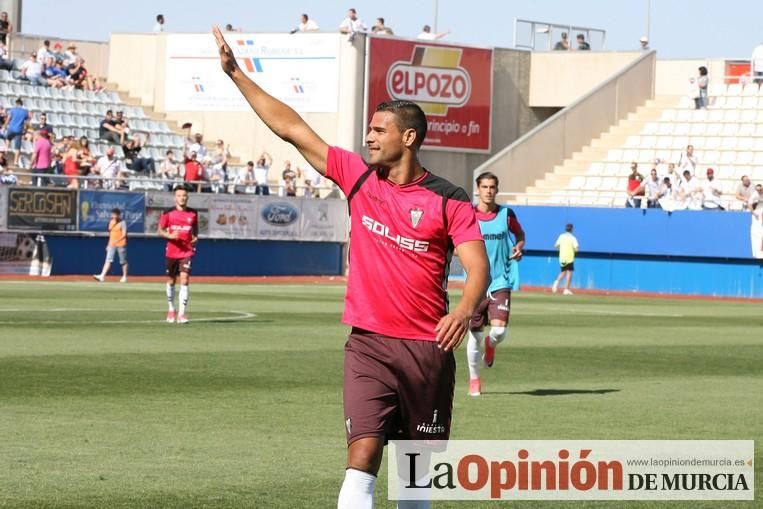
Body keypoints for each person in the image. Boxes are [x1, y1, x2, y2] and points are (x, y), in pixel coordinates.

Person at [213, 26, 489, 509]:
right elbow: (292, 128)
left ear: (408, 137)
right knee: (362, 452)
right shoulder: (358, 176)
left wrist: (465, 309)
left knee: (413, 469)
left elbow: (477, 266)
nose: (369, 136)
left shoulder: (449, 198)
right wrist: (237, 75)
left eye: (379, 130)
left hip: (427, 348)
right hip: (368, 344)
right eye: (369, 129)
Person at [465, 172, 525, 397]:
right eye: (485, 187)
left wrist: (519, 246)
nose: (488, 191)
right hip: (476, 282)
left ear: (497, 190)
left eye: (492, 187)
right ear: (478, 190)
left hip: (501, 279)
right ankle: (474, 380)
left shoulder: (506, 214)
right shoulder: (468, 215)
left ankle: (492, 344)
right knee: (475, 335)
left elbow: (520, 234)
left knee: (499, 330)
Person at [157, 185, 198, 324]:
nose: (182, 198)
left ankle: (182, 314)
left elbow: (195, 229)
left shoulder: (193, 213)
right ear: (175, 197)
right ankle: (171, 309)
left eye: (185, 195)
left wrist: (196, 237)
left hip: (187, 251)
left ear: (188, 197)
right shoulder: (168, 213)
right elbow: (160, 231)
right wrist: (169, 235)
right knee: (171, 281)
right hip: (172, 251)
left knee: (185, 279)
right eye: (180, 195)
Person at [93, 208, 129, 283]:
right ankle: (102, 276)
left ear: (119, 215)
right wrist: (108, 244)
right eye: (113, 214)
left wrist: (117, 240)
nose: (114, 216)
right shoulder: (111, 222)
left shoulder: (123, 223)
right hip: (112, 244)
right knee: (108, 260)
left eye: (116, 215)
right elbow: (111, 234)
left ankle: (125, 277)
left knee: (123, 261)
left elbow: (124, 234)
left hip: (121, 244)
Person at [551, 224, 579, 296]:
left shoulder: (561, 236)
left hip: (562, 257)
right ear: (572, 229)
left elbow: (556, 245)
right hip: (569, 258)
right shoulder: (573, 238)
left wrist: (562, 248)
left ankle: (556, 283)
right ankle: (566, 289)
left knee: (563, 272)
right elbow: (576, 249)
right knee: (569, 273)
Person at [4, 98, 30, 167]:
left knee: (8, 138)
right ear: (21, 104)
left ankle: (6, 149)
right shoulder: (25, 112)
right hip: (19, 130)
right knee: (17, 147)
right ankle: (16, 161)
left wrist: (5, 126)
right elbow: (27, 123)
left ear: (17, 104)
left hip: (11, 128)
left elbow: (8, 118)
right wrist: (26, 130)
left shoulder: (13, 110)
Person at [749, 184, 763, 258]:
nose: (759, 191)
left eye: (760, 190)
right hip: (758, 210)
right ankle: (758, 252)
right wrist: (753, 212)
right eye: (758, 190)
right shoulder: (754, 194)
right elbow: (749, 204)